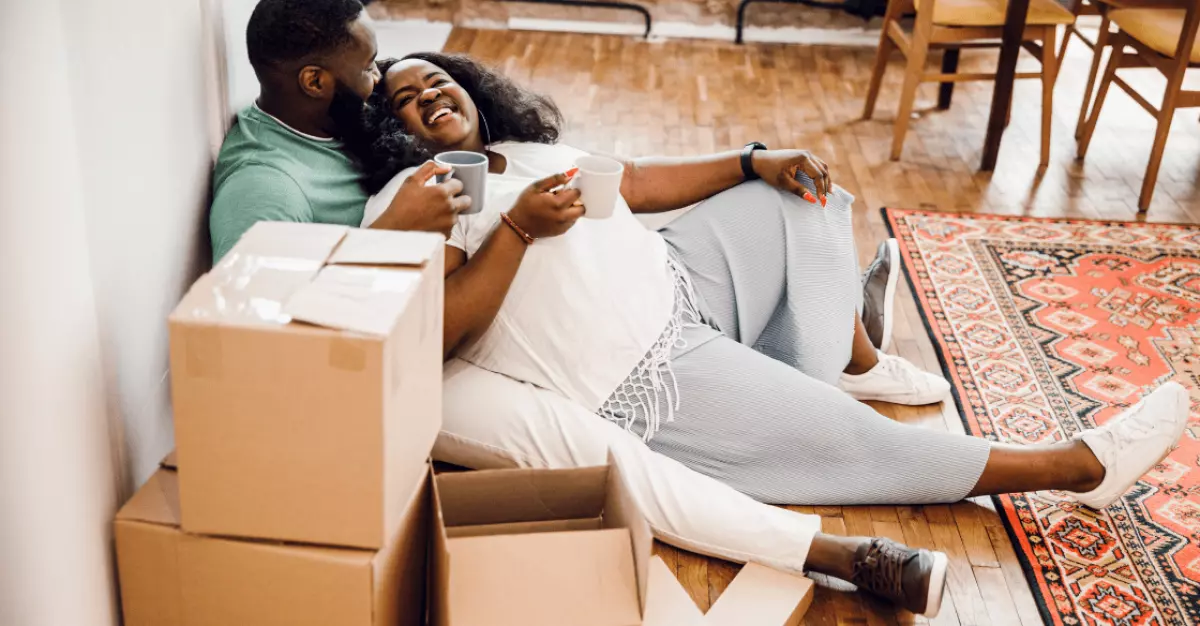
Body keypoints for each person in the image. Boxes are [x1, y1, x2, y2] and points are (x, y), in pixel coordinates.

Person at [347, 52, 1192, 616]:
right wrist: (518, 232)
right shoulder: (410, 200)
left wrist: (754, 159)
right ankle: (1073, 468)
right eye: (407, 102)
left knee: (802, 192)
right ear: (394, 132)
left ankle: (850, 355)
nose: (431, 99)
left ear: (469, 85)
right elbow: (440, 327)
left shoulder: (520, 152)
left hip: (681, 277)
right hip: (655, 373)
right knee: (856, 445)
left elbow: (635, 183)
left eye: (438, 82)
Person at [208, 0, 469, 263]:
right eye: (368, 67)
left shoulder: (329, 117)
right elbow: (251, 303)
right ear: (315, 81)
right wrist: (393, 232)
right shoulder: (264, 191)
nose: (378, 77)